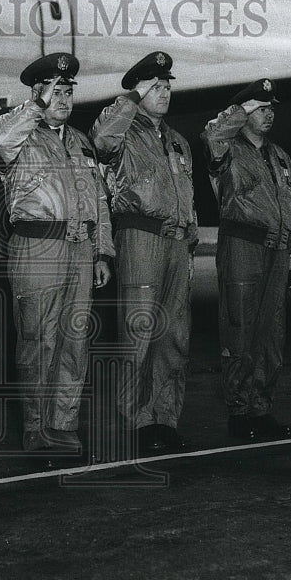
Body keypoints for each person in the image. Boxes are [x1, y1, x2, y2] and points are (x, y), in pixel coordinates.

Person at [0, 53, 114, 459]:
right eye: (54, 90)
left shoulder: (79, 141)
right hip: (36, 247)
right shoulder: (20, 133)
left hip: (79, 247)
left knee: (74, 340)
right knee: (38, 340)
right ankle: (35, 427)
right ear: (37, 93)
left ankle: (64, 425)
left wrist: (102, 253)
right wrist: (36, 105)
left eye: (68, 91)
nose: (63, 98)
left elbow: (99, 200)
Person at [90, 51, 196, 455]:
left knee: (174, 336)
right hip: (140, 236)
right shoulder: (124, 131)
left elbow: (187, 194)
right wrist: (130, 100)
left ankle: (164, 420)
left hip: (175, 240)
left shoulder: (178, 140)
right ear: (139, 91)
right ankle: (136, 423)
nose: (164, 92)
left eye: (167, 86)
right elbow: (100, 140)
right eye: (155, 86)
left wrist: (188, 241)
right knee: (139, 334)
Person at [202, 78, 291, 441]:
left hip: (276, 249)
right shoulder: (226, 148)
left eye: (270, 107)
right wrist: (241, 108)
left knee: (271, 334)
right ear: (244, 113)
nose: (268, 114)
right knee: (239, 330)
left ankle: (261, 408)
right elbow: (212, 135)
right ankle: (240, 411)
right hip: (243, 244)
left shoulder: (280, 156)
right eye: (260, 108)